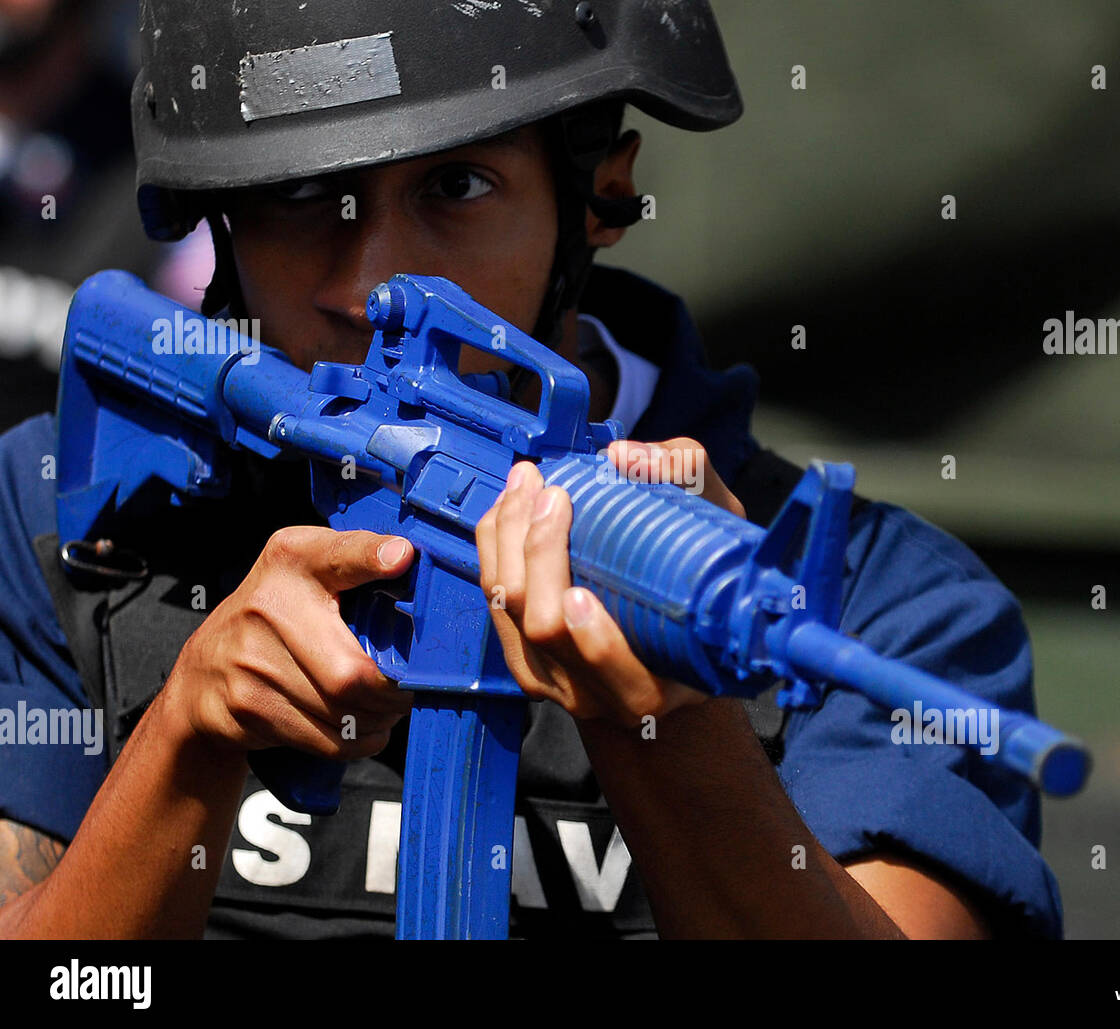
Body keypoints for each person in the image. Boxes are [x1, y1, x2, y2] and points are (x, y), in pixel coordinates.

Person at [0, 0, 1062, 938]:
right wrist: (183, 751)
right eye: (300, 193)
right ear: (217, 217)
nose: (373, 281)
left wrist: (672, 728)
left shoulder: (882, 607)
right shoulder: (70, 515)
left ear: (601, 193)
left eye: (455, 186)